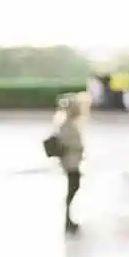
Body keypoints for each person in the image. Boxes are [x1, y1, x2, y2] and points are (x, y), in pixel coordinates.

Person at [53, 91, 88, 234]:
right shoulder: (67, 124)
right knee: (72, 190)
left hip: (72, 162)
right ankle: (68, 220)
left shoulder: (68, 123)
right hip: (70, 163)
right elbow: (68, 143)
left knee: (73, 189)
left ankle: (69, 219)